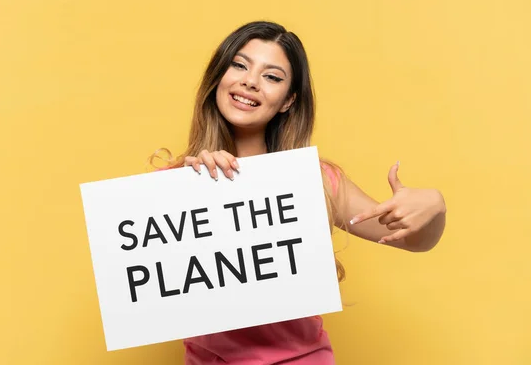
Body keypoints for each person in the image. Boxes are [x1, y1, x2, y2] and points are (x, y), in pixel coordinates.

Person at [150, 21, 447, 364]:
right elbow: (153, 294)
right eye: (240, 65)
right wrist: (191, 192)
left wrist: (435, 208)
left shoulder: (316, 181)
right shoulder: (174, 181)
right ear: (219, 77)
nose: (250, 81)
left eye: (272, 76)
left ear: (288, 100)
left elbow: (412, 239)